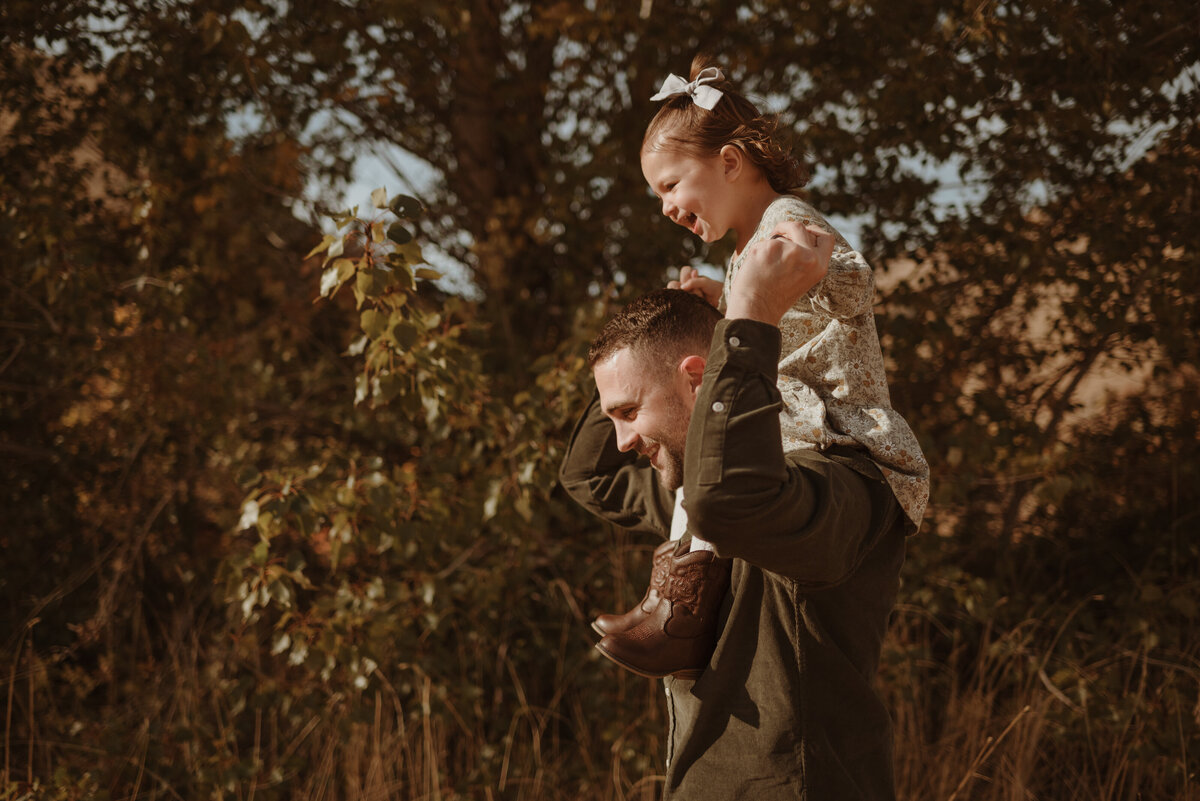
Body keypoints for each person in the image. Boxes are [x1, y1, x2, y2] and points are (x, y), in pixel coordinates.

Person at [588, 58, 929, 678]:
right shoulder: (749, 247)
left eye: (669, 185)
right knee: (704, 457)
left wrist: (785, 279)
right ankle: (678, 606)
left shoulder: (787, 222)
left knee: (715, 462)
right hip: (791, 407)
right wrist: (725, 298)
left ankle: (677, 612)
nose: (664, 207)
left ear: (729, 162)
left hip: (831, 417)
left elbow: (849, 285)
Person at [558, 222, 907, 798]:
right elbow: (586, 477)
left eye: (627, 413)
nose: (620, 441)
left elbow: (732, 501)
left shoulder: (836, 485)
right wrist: (636, 363)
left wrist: (749, 323)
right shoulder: (689, 496)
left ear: (698, 381)